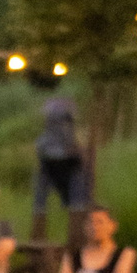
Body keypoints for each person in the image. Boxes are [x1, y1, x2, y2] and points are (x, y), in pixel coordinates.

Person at [32, 91, 86, 242]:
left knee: (76, 202)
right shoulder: (48, 139)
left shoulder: (70, 135)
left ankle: (75, 236)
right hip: (53, 164)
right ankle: (38, 235)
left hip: (68, 166)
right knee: (41, 202)